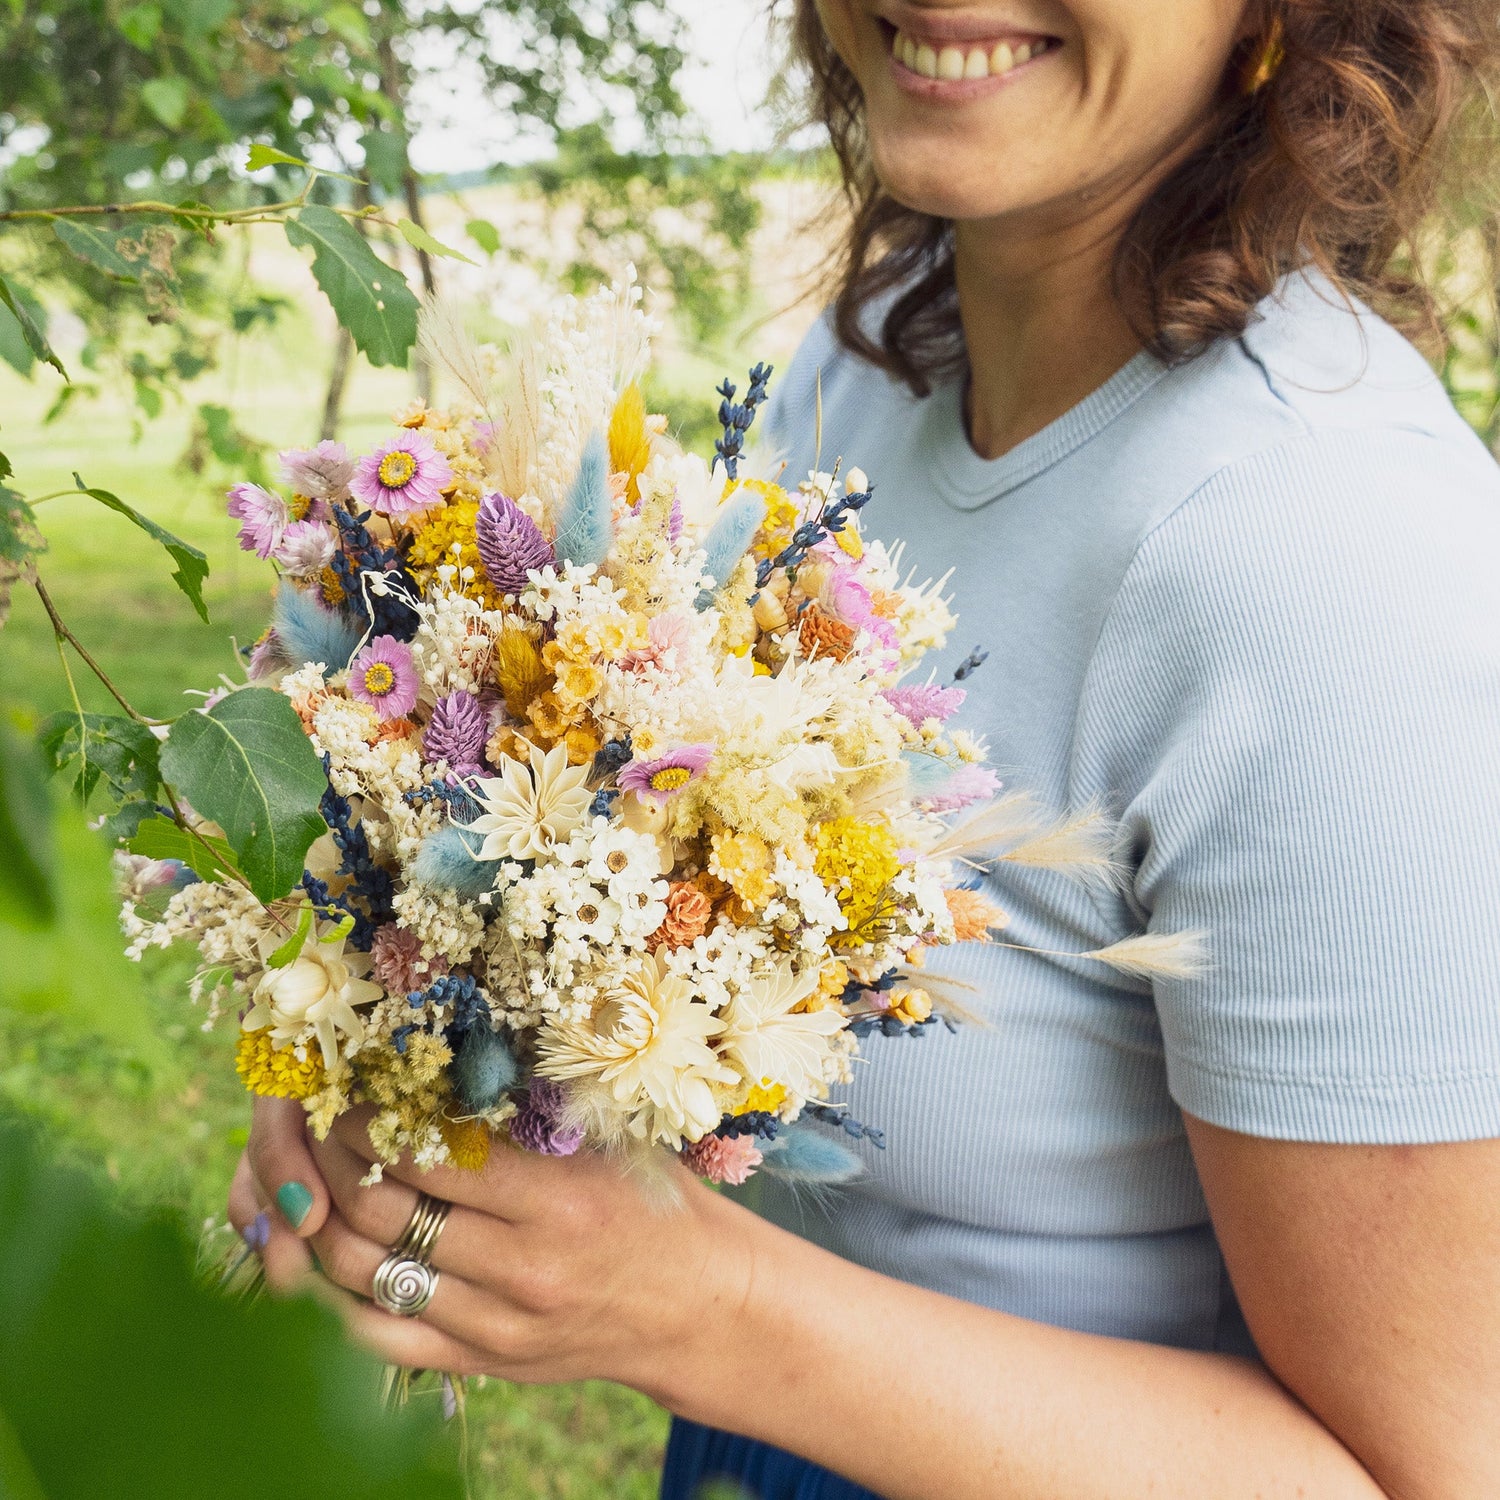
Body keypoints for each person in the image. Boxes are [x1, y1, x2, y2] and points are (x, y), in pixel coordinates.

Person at [230, 3, 1500, 1496]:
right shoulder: (869, 375)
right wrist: (406, 1037)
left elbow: (1431, 1472)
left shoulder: (1329, 557)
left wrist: (703, 1306)